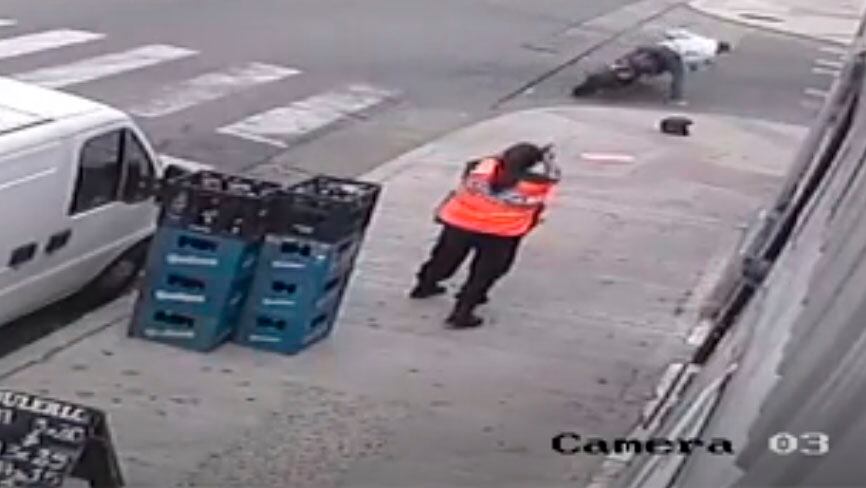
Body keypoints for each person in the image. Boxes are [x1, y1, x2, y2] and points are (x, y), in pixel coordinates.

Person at [409, 142, 561, 329]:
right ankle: (462, 311)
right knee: (484, 273)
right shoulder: (537, 185)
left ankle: (425, 285)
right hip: (502, 233)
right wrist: (547, 159)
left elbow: (477, 166)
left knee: (444, 257)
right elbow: (552, 180)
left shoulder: (481, 169)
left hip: (461, 222)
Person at [587, 29, 732, 103]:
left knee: (637, 51)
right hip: (672, 55)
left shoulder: (704, 39)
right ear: (721, 51)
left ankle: (616, 64)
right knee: (679, 76)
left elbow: (680, 33)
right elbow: (688, 61)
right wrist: (691, 67)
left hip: (662, 46)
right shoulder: (709, 53)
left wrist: (669, 34)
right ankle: (676, 99)